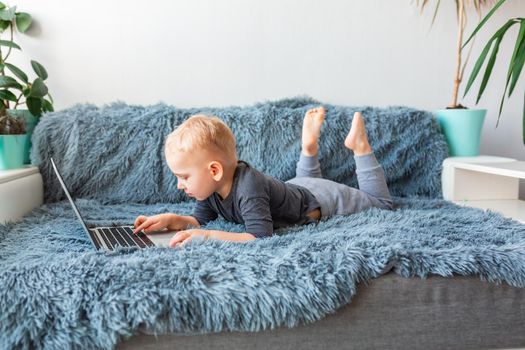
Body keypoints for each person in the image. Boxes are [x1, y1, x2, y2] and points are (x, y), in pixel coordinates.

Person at [133, 107, 393, 248]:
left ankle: (360, 147)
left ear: (214, 171)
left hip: (321, 199)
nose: (180, 185)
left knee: (382, 204)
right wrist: (171, 220)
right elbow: (198, 220)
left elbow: (260, 238)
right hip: (295, 188)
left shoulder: (249, 187)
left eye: (184, 177)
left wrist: (209, 237)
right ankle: (309, 147)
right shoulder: (209, 190)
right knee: (298, 187)